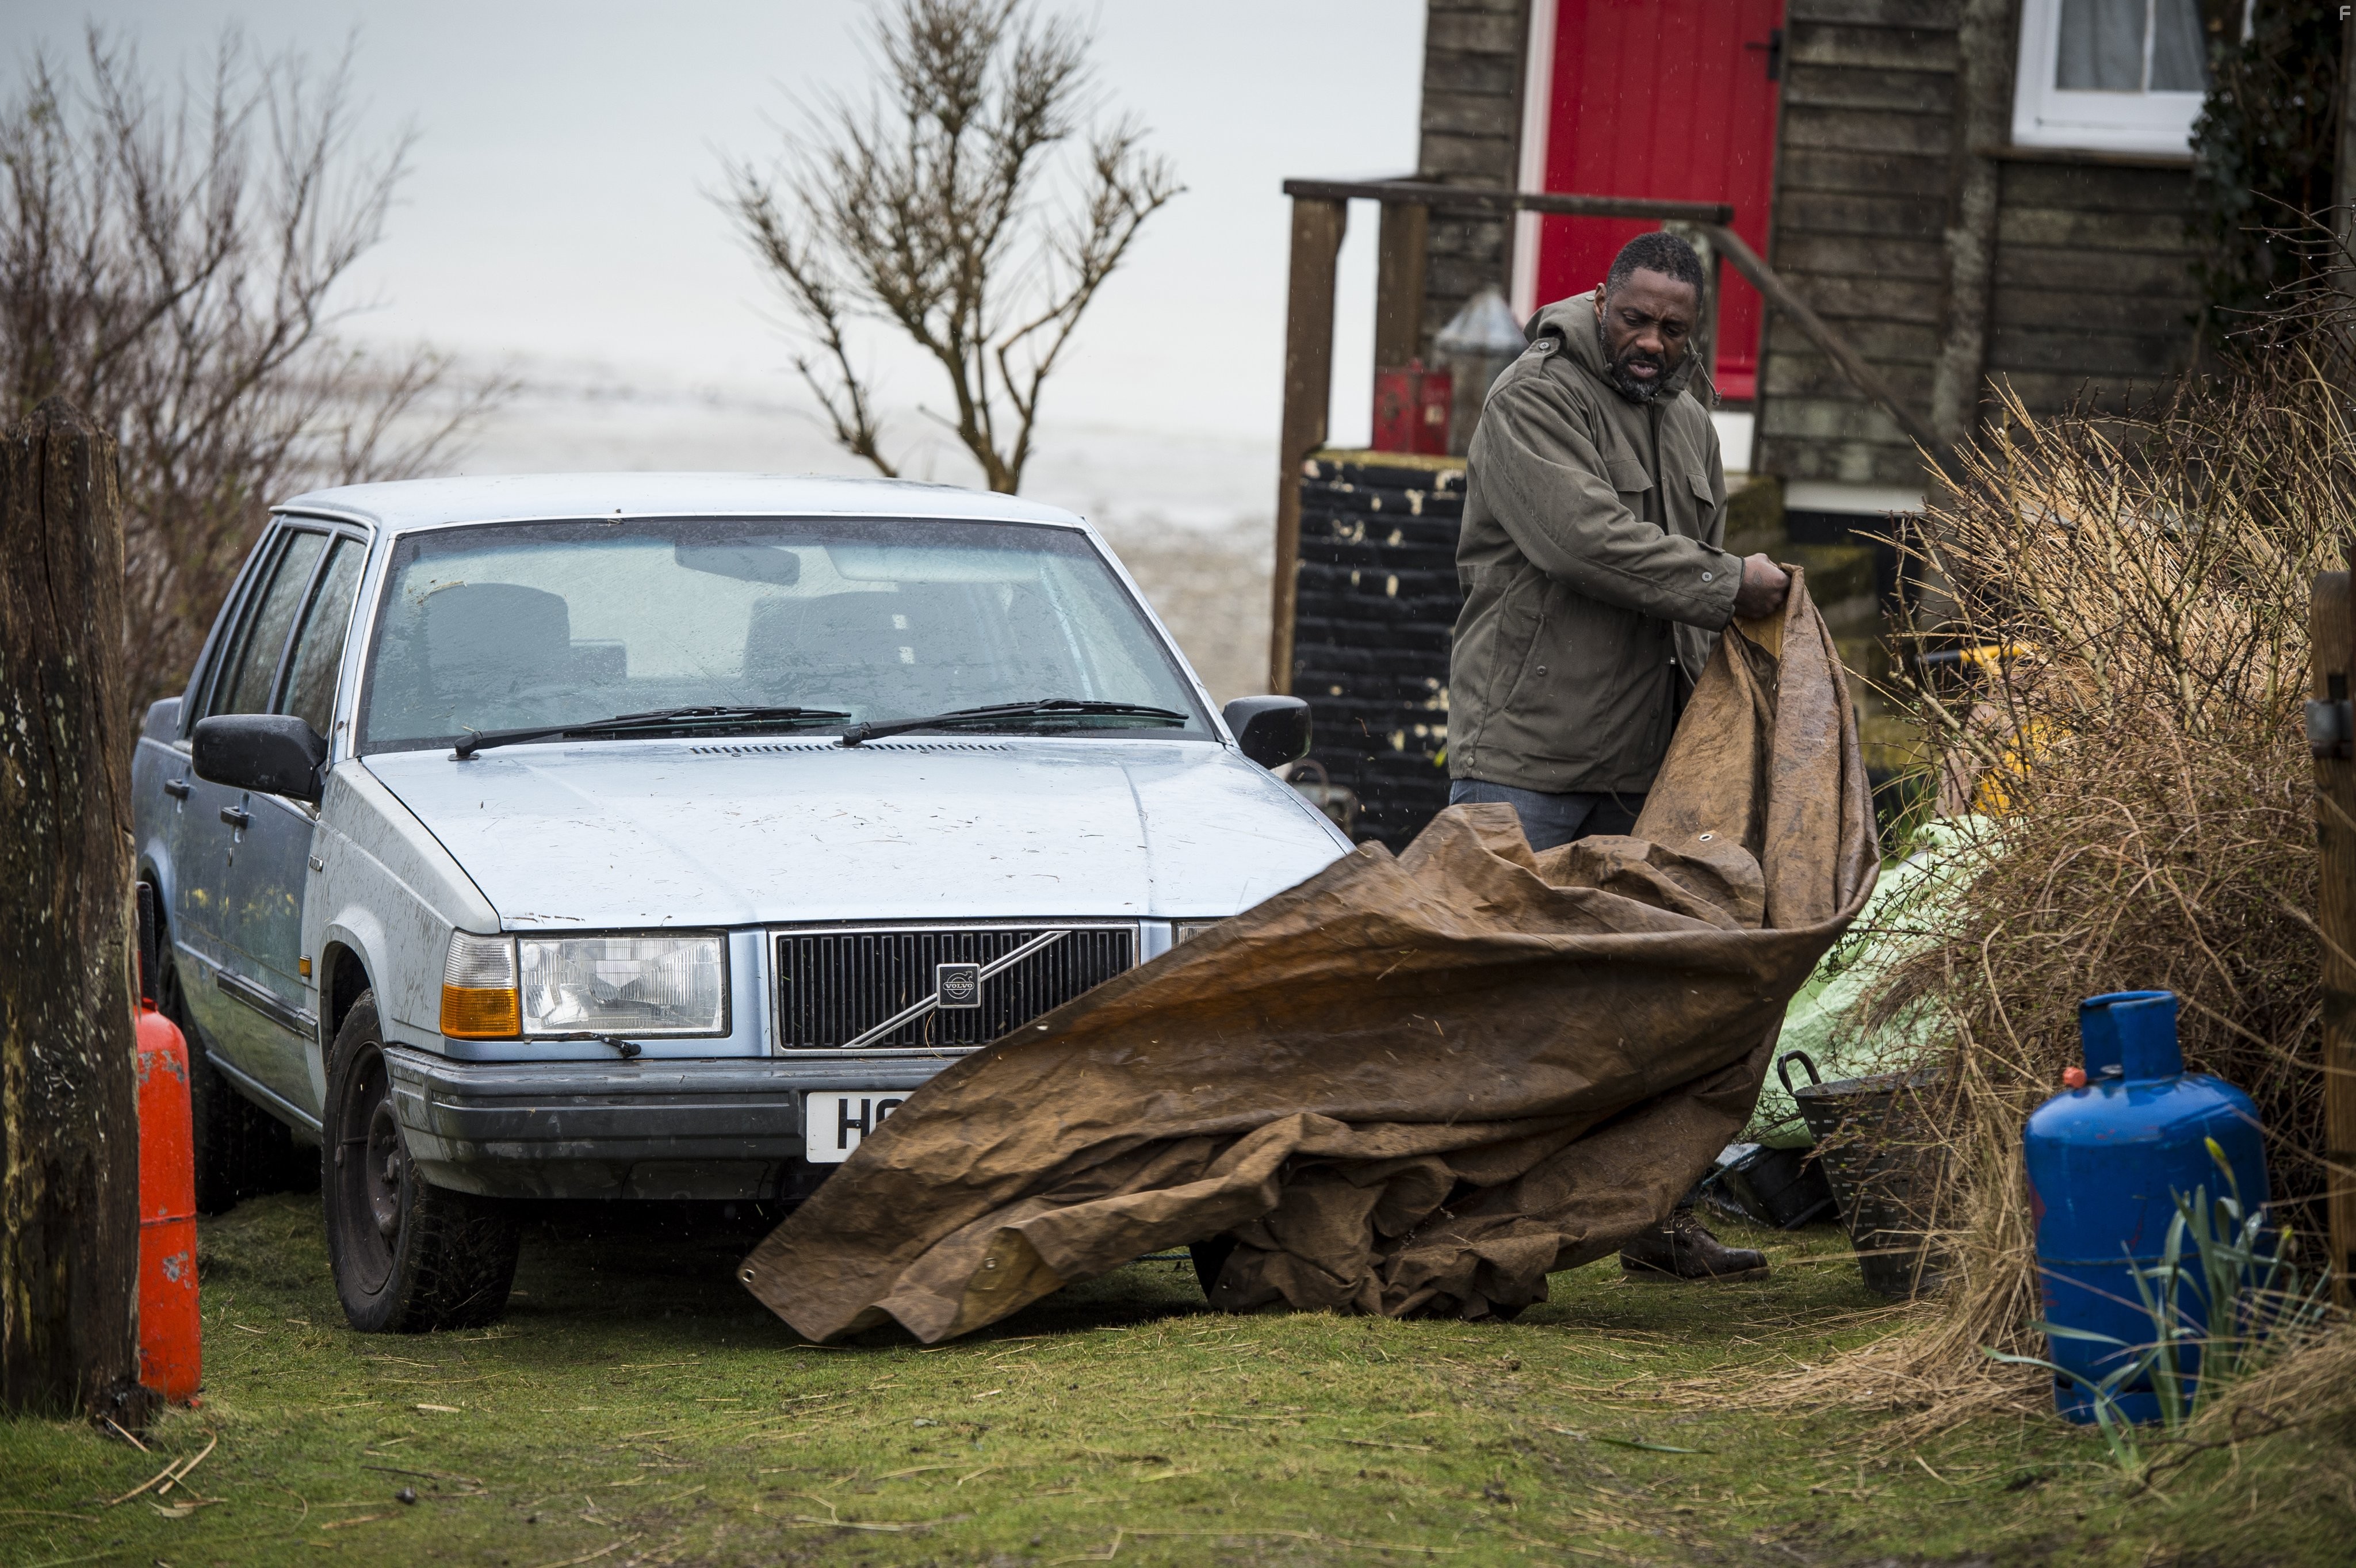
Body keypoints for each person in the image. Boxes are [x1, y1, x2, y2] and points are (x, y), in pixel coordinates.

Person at [1445, 230, 1791, 1284]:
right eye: (1635, 318)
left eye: (1674, 328)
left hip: (1654, 767)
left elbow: (1687, 594)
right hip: (1530, 753)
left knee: (1650, 1004)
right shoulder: (1531, 398)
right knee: (1502, 1000)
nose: (1650, 341)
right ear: (1601, 300)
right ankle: (1464, 1228)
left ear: (1697, 333)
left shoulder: (1691, 422)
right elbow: (1583, 541)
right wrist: (1731, 582)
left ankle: (1654, 1221)